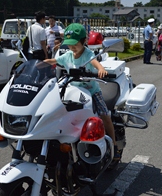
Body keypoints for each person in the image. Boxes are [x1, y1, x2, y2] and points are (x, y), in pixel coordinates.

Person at [44, 23, 121, 161]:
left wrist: (101, 69)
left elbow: (94, 62)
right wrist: (41, 63)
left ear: (84, 41)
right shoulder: (68, 55)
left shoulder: (88, 54)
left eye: (75, 44)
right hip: (73, 90)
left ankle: (114, 146)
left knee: (104, 114)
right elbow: (54, 60)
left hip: (91, 91)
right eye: (69, 44)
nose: (72, 47)